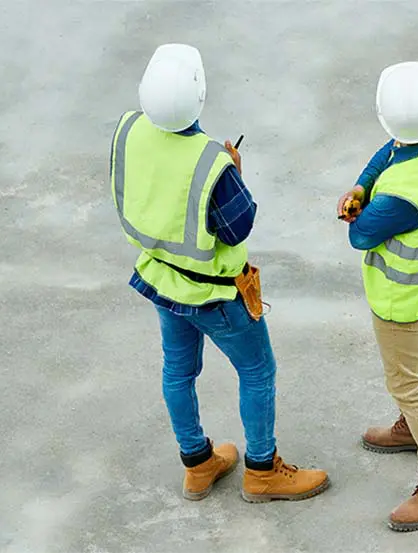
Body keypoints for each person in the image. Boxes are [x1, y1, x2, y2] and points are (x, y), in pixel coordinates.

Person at [109, 43, 329, 503]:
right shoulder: (213, 162)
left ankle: (198, 464)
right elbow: (238, 226)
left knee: (178, 371)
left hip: (161, 281)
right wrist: (235, 175)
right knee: (257, 371)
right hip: (216, 296)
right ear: (199, 94)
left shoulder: (128, 130)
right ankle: (263, 472)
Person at [337, 60, 418, 532]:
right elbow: (394, 148)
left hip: (399, 297)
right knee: (414, 363)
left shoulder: (399, 196)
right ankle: (413, 427)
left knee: (407, 383)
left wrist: (360, 203)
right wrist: (362, 184)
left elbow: (361, 235)